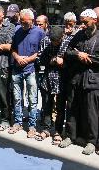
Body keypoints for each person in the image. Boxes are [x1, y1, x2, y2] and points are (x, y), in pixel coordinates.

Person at [60, 9, 99, 155]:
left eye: (85, 22)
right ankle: (70, 136)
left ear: (94, 21)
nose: (82, 25)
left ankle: (91, 141)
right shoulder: (78, 35)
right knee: (72, 108)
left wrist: (87, 58)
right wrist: (78, 54)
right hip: (76, 79)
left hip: (92, 80)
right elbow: (67, 51)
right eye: (81, 21)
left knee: (91, 112)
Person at [8, 9, 45, 138]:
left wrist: (28, 59)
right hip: (17, 69)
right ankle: (18, 122)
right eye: (21, 22)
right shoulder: (17, 30)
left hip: (31, 70)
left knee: (32, 99)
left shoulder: (39, 32)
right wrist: (17, 57)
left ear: (32, 21)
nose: (23, 24)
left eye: (26, 22)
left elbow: (42, 51)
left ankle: (32, 126)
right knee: (17, 98)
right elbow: (12, 48)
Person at [36, 26, 67, 143]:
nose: (54, 43)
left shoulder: (68, 42)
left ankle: (58, 131)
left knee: (60, 107)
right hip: (47, 79)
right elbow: (40, 60)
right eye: (52, 41)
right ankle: (46, 129)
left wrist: (63, 63)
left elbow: (71, 61)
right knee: (47, 106)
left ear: (62, 37)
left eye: (56, 41)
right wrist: (52, 61)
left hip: (62, 79)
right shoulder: (46, 41)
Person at [0, 4, 15, 131]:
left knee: (3, 94)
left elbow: (10, 46)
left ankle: (5, 119)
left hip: (3, 65)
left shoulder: (10, 27)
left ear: (2, 15)